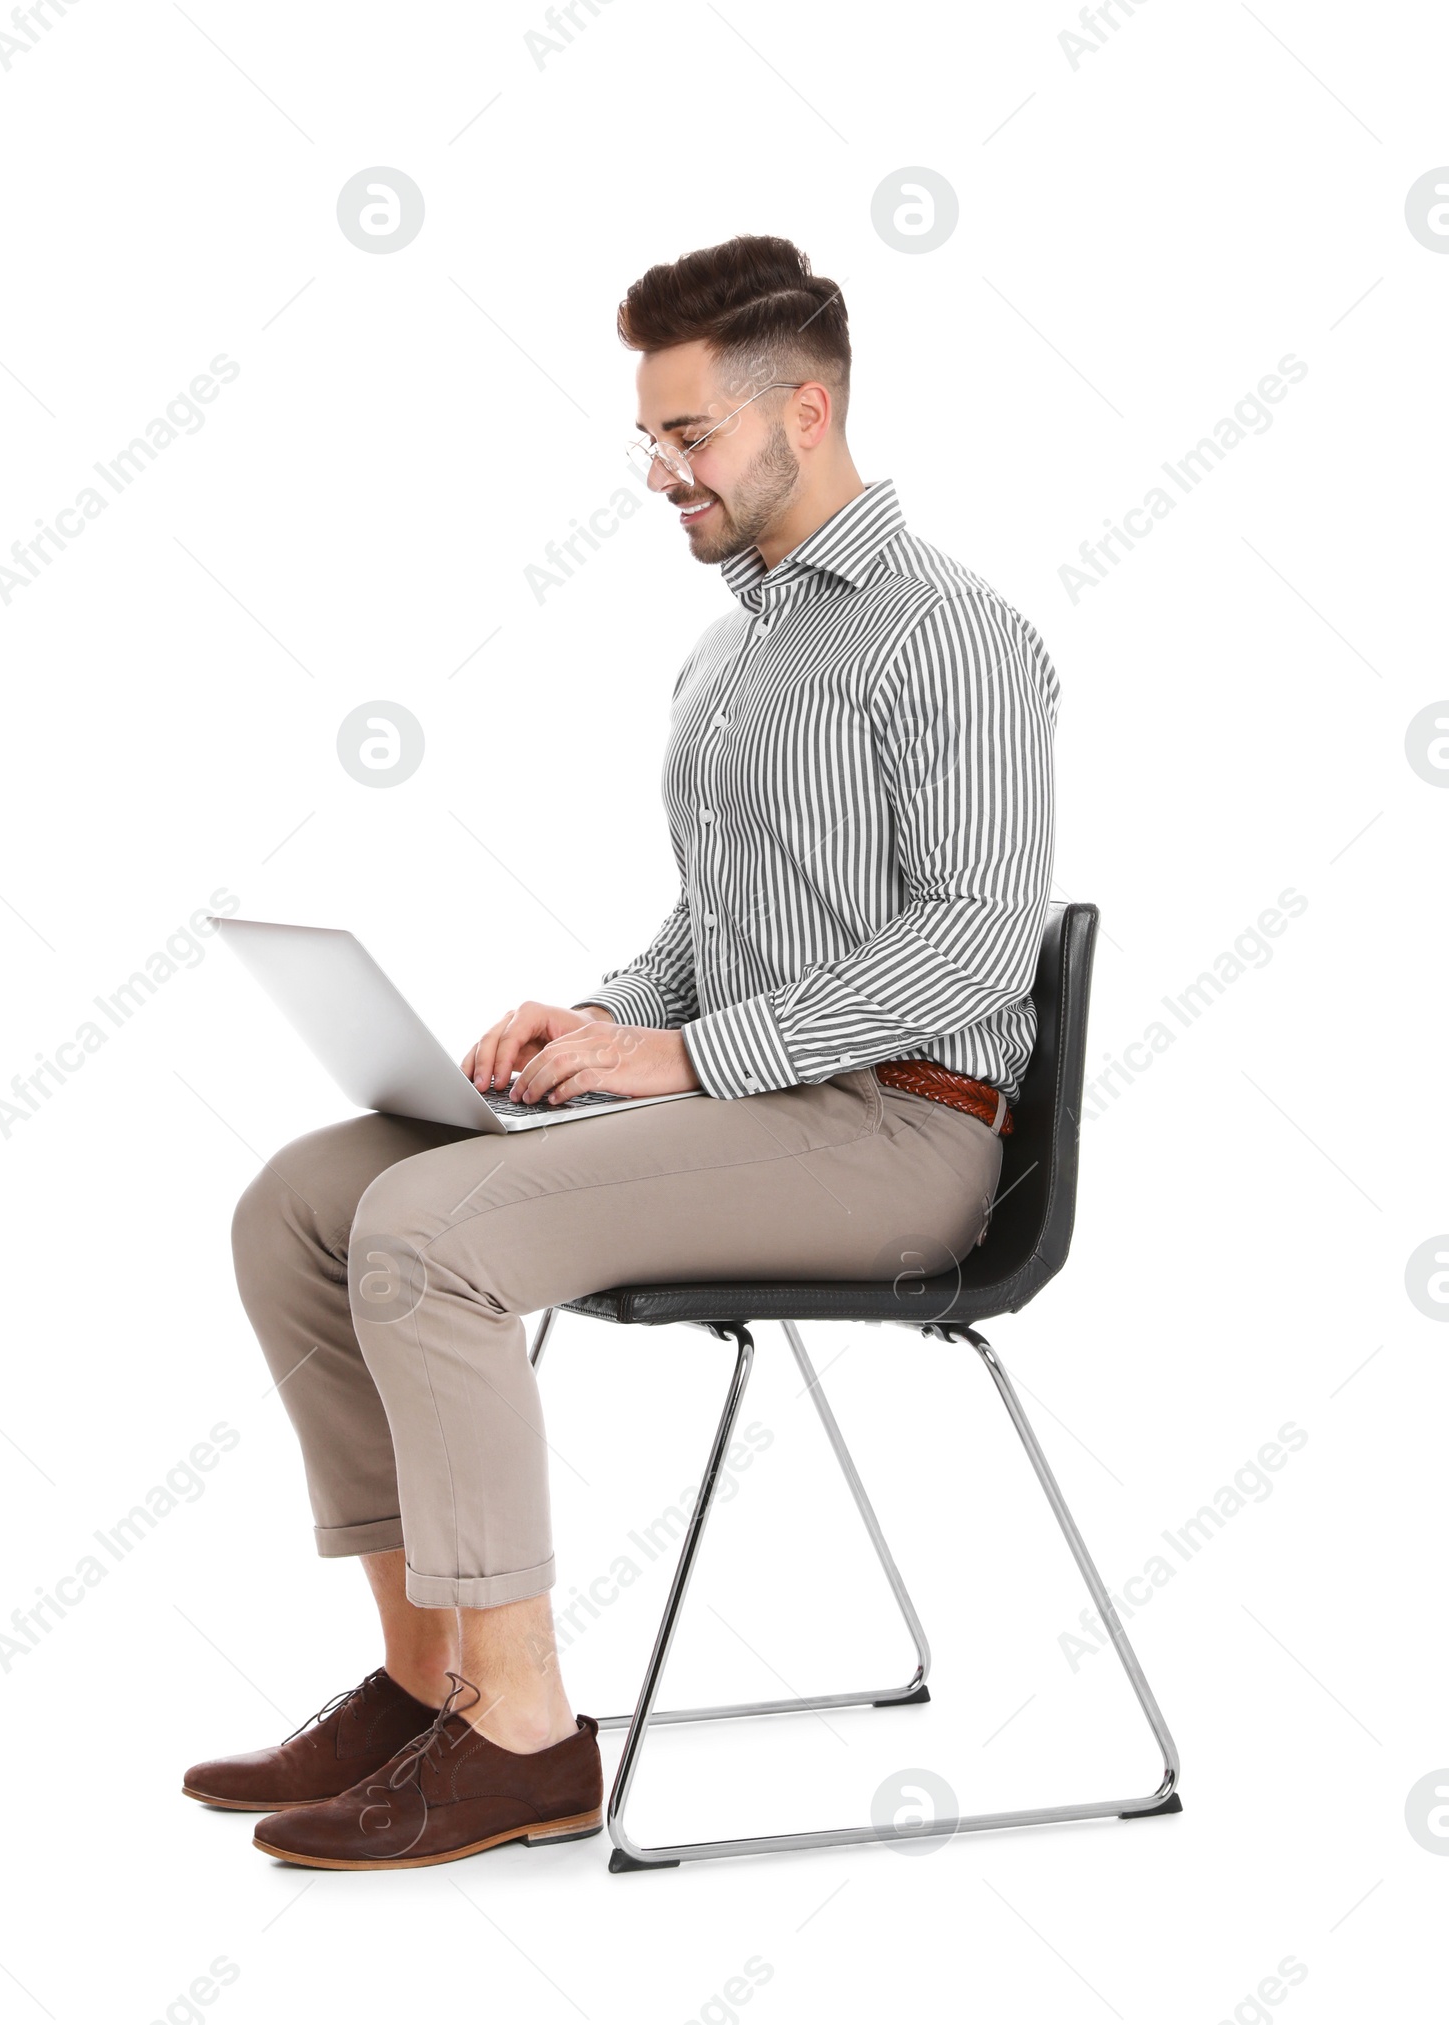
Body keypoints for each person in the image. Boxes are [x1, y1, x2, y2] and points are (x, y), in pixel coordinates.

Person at [183, 233, 1058, 1871]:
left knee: (427, 1232)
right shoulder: (737, 642)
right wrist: (602, 1021)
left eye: (689, 436)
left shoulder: (949, 634)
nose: (659, 473)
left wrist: (690, 1057)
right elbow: (717, 918)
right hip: (757, 1106)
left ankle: (522, 1739)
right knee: (304, 1200)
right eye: (647, 438)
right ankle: (424, 1670)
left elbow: (973, 942)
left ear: (805, 411)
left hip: (901, 1141)